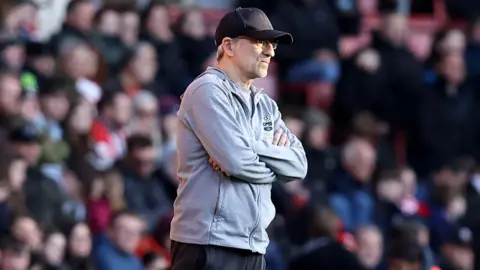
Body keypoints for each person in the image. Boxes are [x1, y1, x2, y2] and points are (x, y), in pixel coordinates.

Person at [170, 7, 308, 270]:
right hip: (208, 243)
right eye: (260, 42)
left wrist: (250, 146)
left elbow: (299, 165)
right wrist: (272, 165)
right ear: (229, 46)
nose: (270, 51)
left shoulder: (266, 104)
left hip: (253, 245)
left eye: (272, 44)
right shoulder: (206, 90)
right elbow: (236, 162)